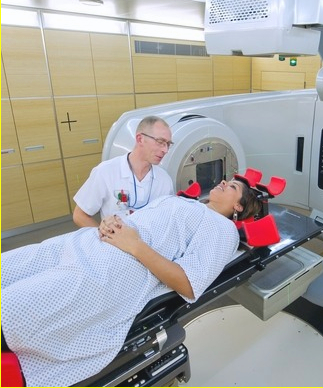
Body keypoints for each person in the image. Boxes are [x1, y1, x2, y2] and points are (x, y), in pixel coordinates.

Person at [1, 179, 261, 387]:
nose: (223, 182)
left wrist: (134, 245)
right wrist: (110, 222)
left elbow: (189, 284)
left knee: (17, 305)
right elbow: (137, 220)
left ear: (238, 207)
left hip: (118, 265)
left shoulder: (223, 229)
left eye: (232, 186)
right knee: (14, 263)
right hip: (89, 241)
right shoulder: (180, 201)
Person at [73, 115, 174, 228]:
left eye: (168, 144)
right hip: (115, 239)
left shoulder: (164, 179)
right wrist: (104, 235)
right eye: (160, 142)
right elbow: (80, 215)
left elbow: (168, 217)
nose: (165, 150)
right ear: (140, 139)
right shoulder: (105, 172)